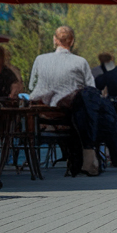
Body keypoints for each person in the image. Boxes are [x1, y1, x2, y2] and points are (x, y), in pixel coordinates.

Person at [26, 25, 105, 175]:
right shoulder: (80, 62)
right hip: (70, 115)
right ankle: (85, 157)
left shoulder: (40, 59)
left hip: (43, 116)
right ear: (72, 41)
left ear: (55, 40)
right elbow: (91, 89)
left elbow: (31, 86)